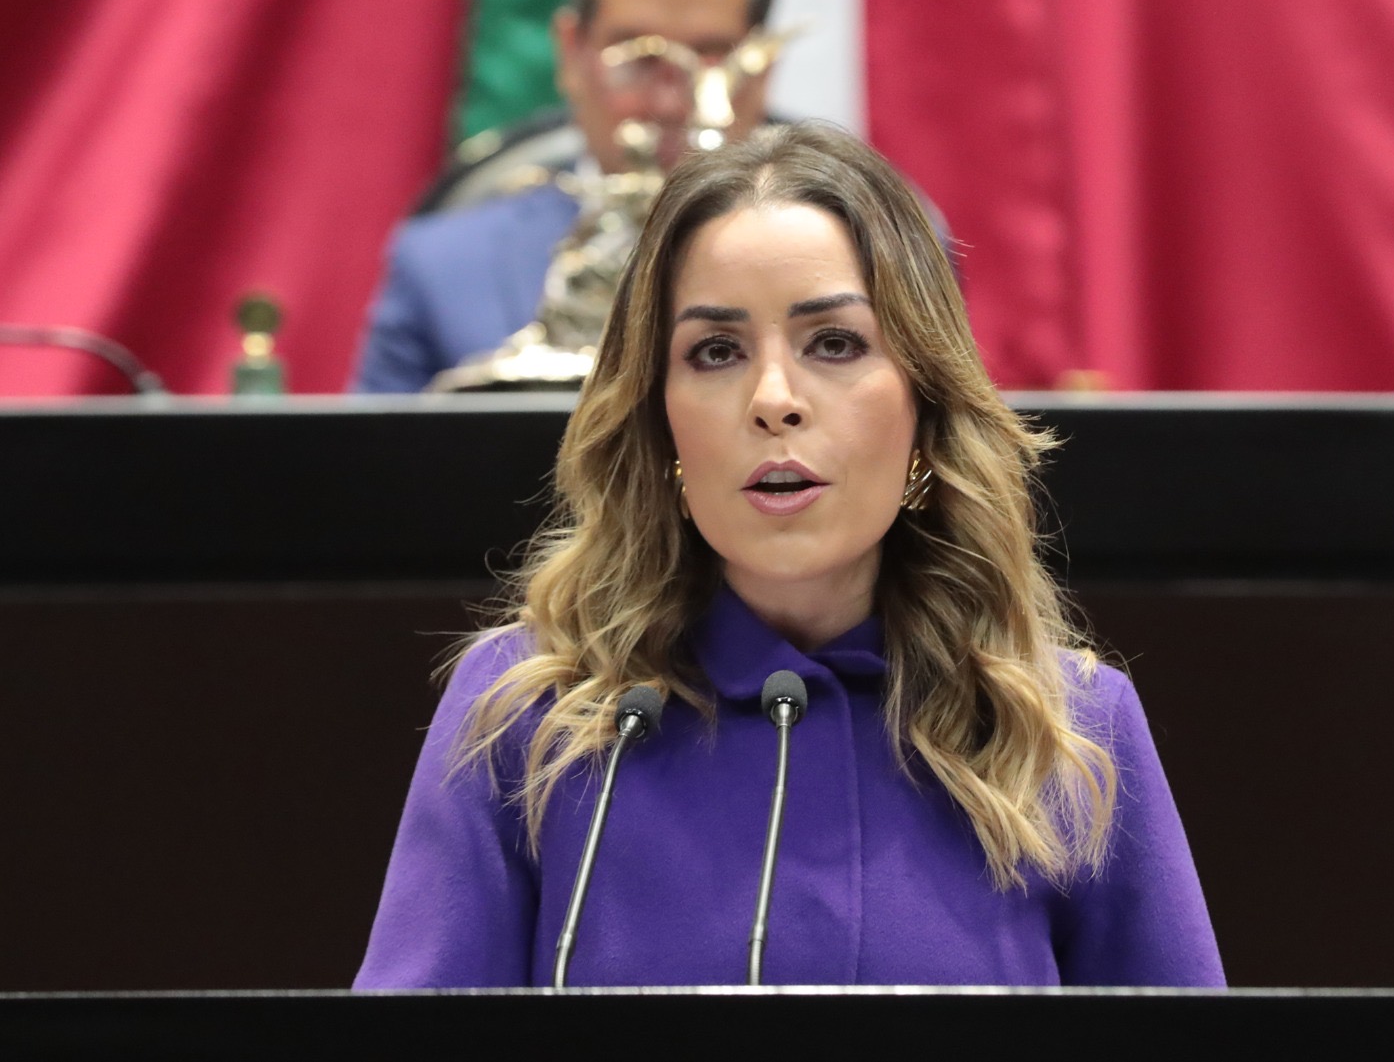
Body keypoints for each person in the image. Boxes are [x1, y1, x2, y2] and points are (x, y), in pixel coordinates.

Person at [354, 122, 1224, 988]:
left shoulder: (1070, 728)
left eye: (834, 343)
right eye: (717, 351)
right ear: (660, 420)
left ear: (925, 405)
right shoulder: (528, 714)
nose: (773, 399)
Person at [348, 0, 777, 393]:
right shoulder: (440, 265)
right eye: (637, 57)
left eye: (711, 57)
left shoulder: (821, 242)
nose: (669, 103)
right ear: (572, 51)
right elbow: (374, 451)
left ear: (762, 66)